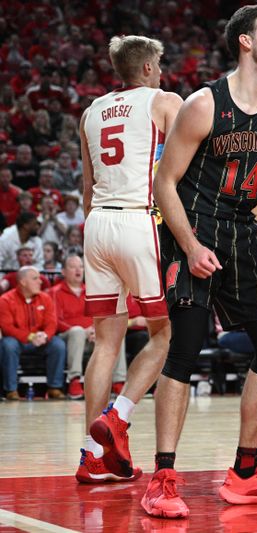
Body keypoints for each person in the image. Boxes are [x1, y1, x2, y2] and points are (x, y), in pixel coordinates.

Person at [141, 4, 257, 518]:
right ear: (245, 42)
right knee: (186, 347)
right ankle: (162, 478)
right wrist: (189, 246)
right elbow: (163, 183)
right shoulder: (202, 104)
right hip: (192, 227)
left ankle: (246, 473)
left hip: (241, 229)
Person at [77, 34, 182, 484]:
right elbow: (194, 157)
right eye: (158, 64)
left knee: (105, 342)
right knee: (164, 335)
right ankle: (119, 416)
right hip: (138, 220)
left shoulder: (90, 112)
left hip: (97, 222)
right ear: (146, 68)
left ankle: (92, 456)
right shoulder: (163, 100)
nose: (161, 71)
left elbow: (86, 188)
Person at [50, 255, 127, 400]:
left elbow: (100, 315)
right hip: (68, 338)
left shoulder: (92, 290)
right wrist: (84, 331)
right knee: (77, 331)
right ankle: (74, 381)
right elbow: (55, 321)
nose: (78, 270)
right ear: (63, 271)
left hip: (92, 337)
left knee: (115, 335)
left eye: (81, 266)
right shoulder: (55, 292)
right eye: (73, 267)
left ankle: (118, 382)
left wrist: (96, 330)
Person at [0, 266, 66, 400]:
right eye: (35, 278)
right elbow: (7, 328)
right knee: (8, 345)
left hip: (41, 340)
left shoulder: (45, 298)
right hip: (18, 341)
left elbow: (52, 323)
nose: (41, 281)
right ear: (23, 282)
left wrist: (45, 335)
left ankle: (55, 387)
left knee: (58, 345)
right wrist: (30, 337)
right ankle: (11, 390)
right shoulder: (5, 300)